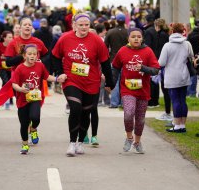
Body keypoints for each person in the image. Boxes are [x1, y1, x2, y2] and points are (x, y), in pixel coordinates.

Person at [52, 13, 114, 157]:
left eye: (87, 24)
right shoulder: (65, 39)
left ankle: (80, 142)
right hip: (71, 80)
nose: (84, 27)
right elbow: (55, 56)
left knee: (86, 112)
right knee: (75, 108)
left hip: (91, 82)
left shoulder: (97, 41)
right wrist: (59, 73)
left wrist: (110, 83)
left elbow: (105, 62)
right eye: (81, 25)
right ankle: (72, 143)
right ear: (75, 25)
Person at [112, 27, 160, 153]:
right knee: (128, 113)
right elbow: (116, 67)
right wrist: (111, 83)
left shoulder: (148, 51)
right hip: (127, 89)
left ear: (142, 38)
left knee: (140, 119)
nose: (136, 39)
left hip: (143, 91)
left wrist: (143, 68)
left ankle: (137, 142)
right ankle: (129, 137)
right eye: (133, 36)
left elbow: (156, 70)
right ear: (128, 38)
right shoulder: (122, 51)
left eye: (138, 36)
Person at [11, 44, 66, 154]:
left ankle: (34, 129)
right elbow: (14, 84)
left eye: (34, 54)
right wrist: (21, 89)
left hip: (35, 98)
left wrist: (56, 79)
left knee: (35, 118)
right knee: (24, 124)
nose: (32, 56)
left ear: (37, 56)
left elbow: (46, 76)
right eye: (30, 54)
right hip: (23, 100)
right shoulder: (20, 68)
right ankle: (25, 145)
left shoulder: (40, 66)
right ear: (24, 55)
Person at [158, 23, 193, 133]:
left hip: (172, 75)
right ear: (182, 31)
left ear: (172, 31)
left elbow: (161, 62)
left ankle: (177, 125)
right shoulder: (187, 44)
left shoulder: (167, 45)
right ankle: (182, 124)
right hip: (184, 74)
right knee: (183, 100)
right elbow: (191, 56)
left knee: (175, 100)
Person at [105, 13, 128, 108]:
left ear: (116, 21)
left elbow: (105, 46)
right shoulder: (128, 32)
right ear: (124, 21)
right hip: (126, 59)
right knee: (125, 81)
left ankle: (114, 103)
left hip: (113, 59)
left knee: (114, 81)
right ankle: (124, 102)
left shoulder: (110, 32)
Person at [0, 31, 13, 109]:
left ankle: (6, 98)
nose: (11, 39)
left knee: (9, 83)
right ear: (4, 38)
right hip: (1, 68)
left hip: (10, 67)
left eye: (12, 37)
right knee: (6, 82)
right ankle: (6, 100)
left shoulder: (13, 46)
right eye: (9, 37)